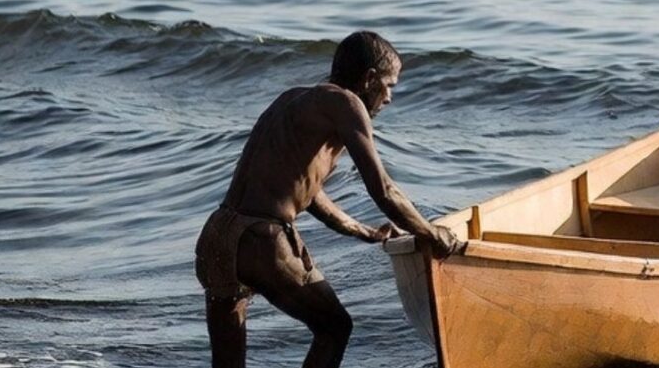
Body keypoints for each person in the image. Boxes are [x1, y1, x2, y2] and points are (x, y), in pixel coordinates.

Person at [195, 30, 462, 368]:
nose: (390, 97)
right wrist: (431, 232)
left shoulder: (293, 99)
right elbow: (384, 189)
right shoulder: (347, 104)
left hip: (218, 236)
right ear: (369, 79)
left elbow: (308, 192)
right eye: (389, 85)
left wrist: (362, 231)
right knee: (335, 327)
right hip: (262, 242)